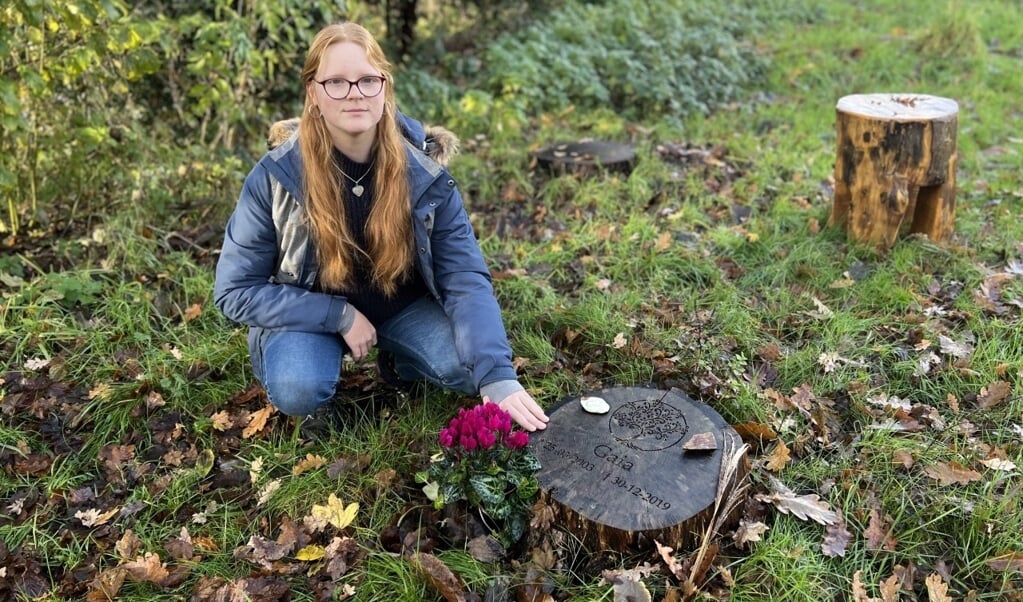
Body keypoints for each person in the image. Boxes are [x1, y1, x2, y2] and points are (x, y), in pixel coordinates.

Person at [213, 22, 549, 434]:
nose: (354, 92)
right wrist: (336, 314)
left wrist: (497, 375)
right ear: (313, 93)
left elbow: (463, 277)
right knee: (298, 386)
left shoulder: (423, 173)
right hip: (308, 309)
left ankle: (400, 363)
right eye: (336, 81)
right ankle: (315, 375)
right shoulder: (276, 177)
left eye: (368, 80)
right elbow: (234, 290)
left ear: (385, 88)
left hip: (399, 305)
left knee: (469, 369)